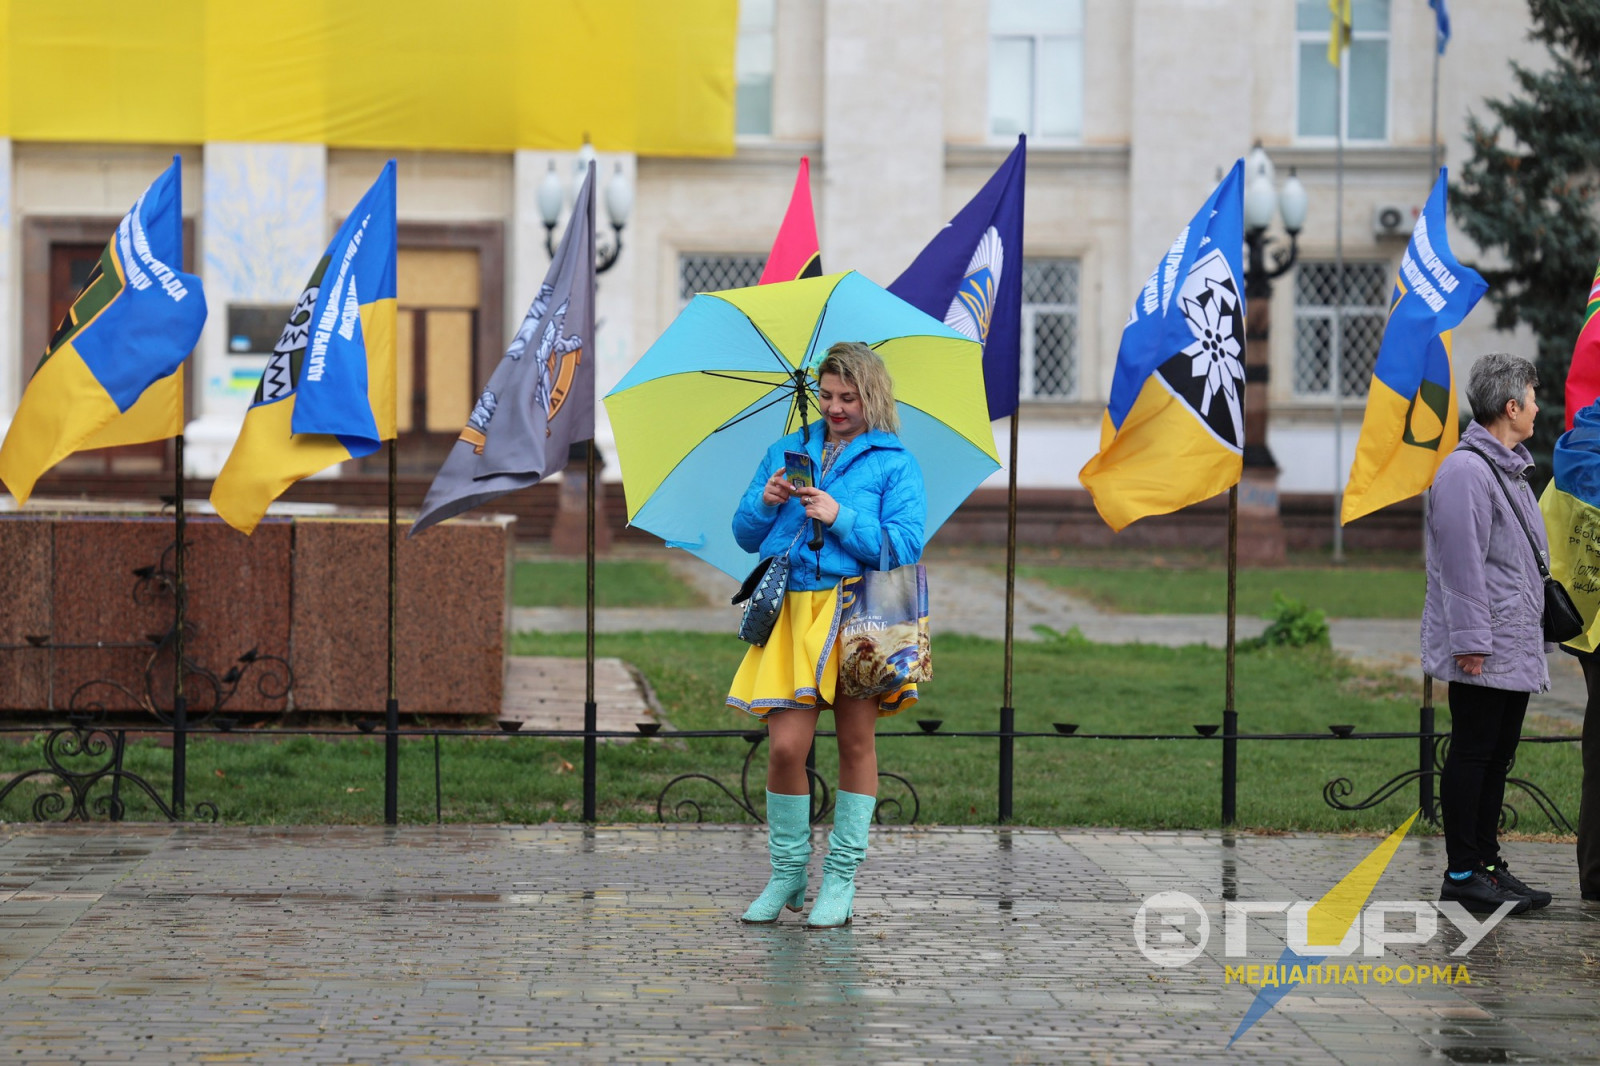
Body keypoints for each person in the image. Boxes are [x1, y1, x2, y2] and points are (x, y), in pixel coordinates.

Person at [727, 340, 926, 928]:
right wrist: (765, 503)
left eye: (849, 396)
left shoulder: (895, 462)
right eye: (828, 394)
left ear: (872, 396)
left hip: (860, 612)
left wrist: (840, 515)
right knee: (787, 747)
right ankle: (788, 871)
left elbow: (904, 546)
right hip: (791, 609)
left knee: (854, 744)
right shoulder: (786, 451)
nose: (835, 407)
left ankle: (840, 878)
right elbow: (744, 533)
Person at [1423, 352, 1552, 914]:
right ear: (1510, 406)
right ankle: (1461, 873)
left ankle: (1487, 865)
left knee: (1497, 756)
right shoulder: (1465, 472)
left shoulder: (1509, 470)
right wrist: (1471, 640)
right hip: (1485, 646)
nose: (1538, 406)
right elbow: (1461, 563)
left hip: (1511, 641)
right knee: (1474, 754)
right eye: (1532, 395)